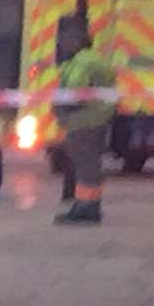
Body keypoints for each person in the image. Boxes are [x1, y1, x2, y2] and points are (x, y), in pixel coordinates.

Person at [52, 16, 115, 224]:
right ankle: (88, 204)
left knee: (85, 167)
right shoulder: (95, 59)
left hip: (83, 121)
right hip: (96, 119)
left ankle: (86, 208)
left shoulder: (82, 62)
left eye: (64, 39)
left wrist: (61, 108)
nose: (61, 43)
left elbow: (75, 92)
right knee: (90, 166)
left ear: (76, 39)